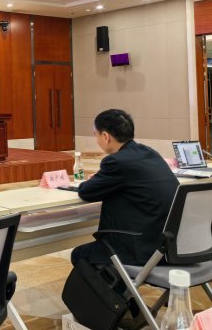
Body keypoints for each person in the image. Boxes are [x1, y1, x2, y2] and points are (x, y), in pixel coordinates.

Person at [71, 109, 179, 267]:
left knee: (79, 255)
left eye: (96, 135)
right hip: (168, 245)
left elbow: (86, 192)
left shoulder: (116, 162)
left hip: (140, 248)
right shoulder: (150, 152)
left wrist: (96, 179)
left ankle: (117, 283)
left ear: (105, 136)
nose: (97, 140)